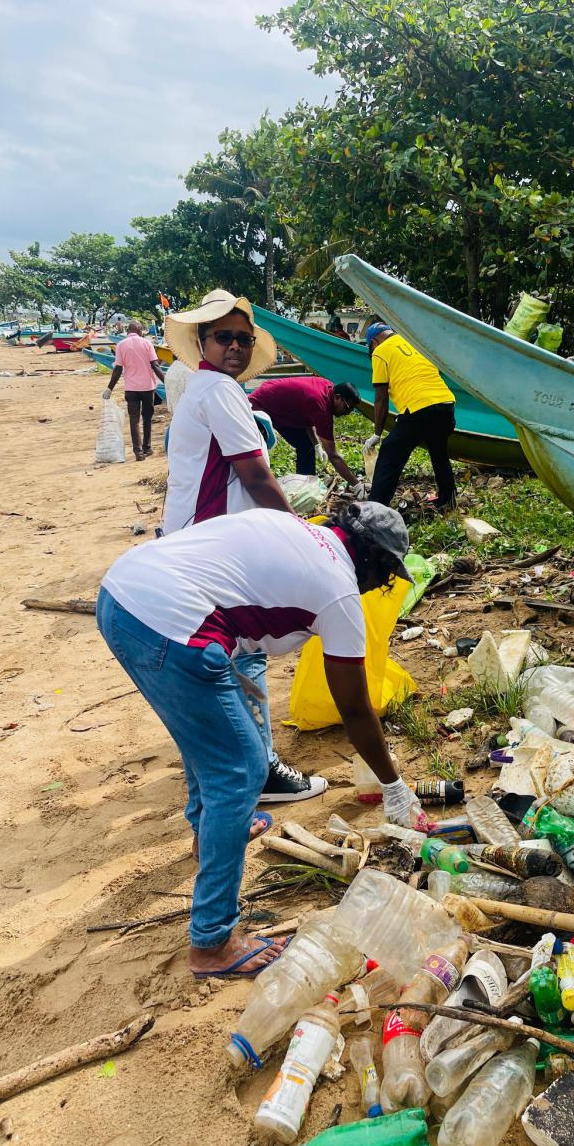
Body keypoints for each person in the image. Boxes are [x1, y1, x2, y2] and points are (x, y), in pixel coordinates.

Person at [97, 502, 427, 977]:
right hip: (172, 624)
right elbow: (354, 708)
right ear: (373, 560)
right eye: (386, 575)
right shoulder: (339, 593)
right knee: (241, 772)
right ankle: (211, 943)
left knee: (206, 737)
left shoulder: (294, 527)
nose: (382, 585)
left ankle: (205, 835)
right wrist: (394, 786)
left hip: (121, 594)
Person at [163, 289, 323, 803]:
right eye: (223, 337)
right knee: (245, 650)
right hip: (214, 545)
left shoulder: (206, 388)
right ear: (202, 342)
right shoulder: (220, 392)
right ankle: (260, 770)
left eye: (243, 339)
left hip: (195, 538)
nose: (235, 346)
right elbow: (254, 474)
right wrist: (301, 537)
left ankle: (228, 763)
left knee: (219, 655)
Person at [364, 323, 457, 510]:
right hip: (446, 404)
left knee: (390, 453)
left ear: (373, 342)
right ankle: (448, 499)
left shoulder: (380, 351)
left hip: (419, 408)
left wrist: (377, 434)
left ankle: (375, 509)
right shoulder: (414, 343)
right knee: (438, 452)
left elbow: (381, 397)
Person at [250, 375, 363, 489]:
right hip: (260, 405)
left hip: (280, 409)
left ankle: (304, 487)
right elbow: (333, 455)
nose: (347, 413)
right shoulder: (321, 405)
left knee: (306, 445)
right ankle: (258, 488)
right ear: (337, 397)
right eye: (347, 407)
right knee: (255, 452)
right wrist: (356, 484)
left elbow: (306, 416)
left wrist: (316, 444)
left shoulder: (327, 388)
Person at [104, 321, 166, 461]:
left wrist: (110, 388)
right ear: (139, 331)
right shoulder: (147, 343)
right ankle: (147, 448)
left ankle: (138, 452)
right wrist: (167, 381)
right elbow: (155, 365)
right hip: (147, 388)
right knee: (147, 419)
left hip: (131, 389)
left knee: (134, 420)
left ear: (128, 331)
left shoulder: (121, 345)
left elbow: (118, 369)